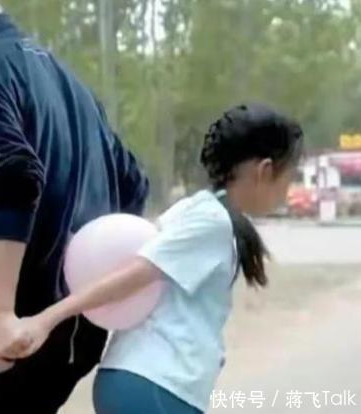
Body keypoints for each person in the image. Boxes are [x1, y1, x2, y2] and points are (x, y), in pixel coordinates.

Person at [0, 0, 150, 413]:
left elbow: (13, 177)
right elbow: (132, 184)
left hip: (18, 334)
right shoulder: (72, 84)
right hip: (79, 335)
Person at [18, 103, 304, 413]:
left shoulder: (200, 210)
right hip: (157, 384)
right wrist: (47, 320)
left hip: (143, 381)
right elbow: (135, 273)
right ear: (265, 171)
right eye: (288, 179)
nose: (286, 192)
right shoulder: (212, 221)